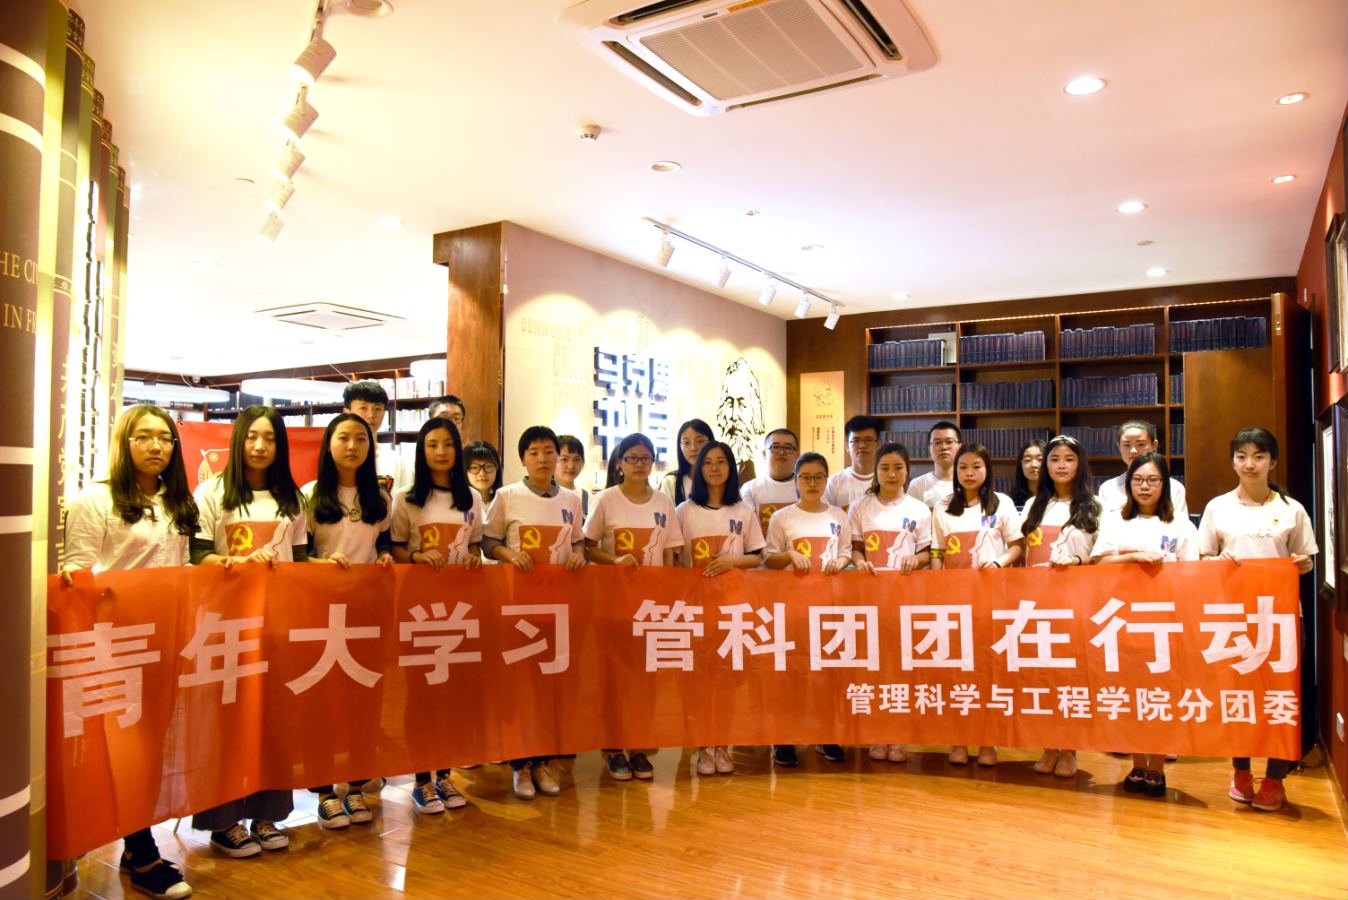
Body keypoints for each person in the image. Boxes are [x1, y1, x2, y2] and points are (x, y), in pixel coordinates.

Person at [61, 405, 198, 899]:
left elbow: (182, 569)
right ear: (125, 442)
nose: (156, 446)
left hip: (165, 641)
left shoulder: (177, 501)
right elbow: (77, 574)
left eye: (165, 438)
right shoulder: (96, 500)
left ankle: (134, 842)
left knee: (153, 746)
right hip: (114, 646)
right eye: (144, 437)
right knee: (122, 749)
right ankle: (143, 855)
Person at [190, 406, 308, 857]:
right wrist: (236, 563)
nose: (260, 446)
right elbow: (196, 554)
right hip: (225, 623)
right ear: (238, 440)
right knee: (224, 721)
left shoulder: (291, 498)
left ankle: (266, 814)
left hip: (277, 622)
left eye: (270, 438)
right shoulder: (212, 492)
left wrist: (326, 565)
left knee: (273, 719)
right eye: (252, 437)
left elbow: (300, 557)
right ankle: (223, 821)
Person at [1198, 427, 1315, 813]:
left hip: (1280, 617)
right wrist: (1217, 562)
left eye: (1259, 456)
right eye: (1242, 456)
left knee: (1280, 694)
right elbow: (1202, 559)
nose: (1250, 464)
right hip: (1232, 618)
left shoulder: (1291, 509)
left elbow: (1306, 560)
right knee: (1239, 695)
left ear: (1272, 462)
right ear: (1233, 462)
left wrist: (1301, 564)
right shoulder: (1217, 507)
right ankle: (1241, 771)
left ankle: (1276, 777)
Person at [483, 425, 587, 799]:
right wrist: (510, 555)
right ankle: (520, 765)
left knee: (550, 689)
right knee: (520, 689)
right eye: (534, 452)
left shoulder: (572, 500)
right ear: (523, 459)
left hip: (558, 608)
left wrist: (578, 556)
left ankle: (543, 761)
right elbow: (488, 541)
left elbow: (578, 542)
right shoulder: (507, 496)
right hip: (518, 608)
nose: (543, 459)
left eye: (548, 451)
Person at [301, 413, 394, 829]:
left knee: (364, 702)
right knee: (322, 704)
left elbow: (384, 541)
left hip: (366, 612)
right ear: (329, 444)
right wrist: (320, 564)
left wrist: (386, 556)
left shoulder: (380, 497)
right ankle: (324, 792)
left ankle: (356, 786)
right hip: (320, 612)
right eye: (343, 438)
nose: (353, 446)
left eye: (361, 439)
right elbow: (300, 554)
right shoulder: (309, 495)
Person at [1093, 452, 1198, 799]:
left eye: (1153, 480)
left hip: (1167, 622)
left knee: (1163, 696)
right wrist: (1132, 557)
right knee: (1133, 693)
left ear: (1165, 484)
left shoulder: (1181, 526)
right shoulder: (1116, 521)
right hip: (1124, 619)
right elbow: (1099, 563)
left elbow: (1193, 573)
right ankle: (1138, 763)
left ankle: (1158, 767)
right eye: (1138, 480)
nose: (1145, 486)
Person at [392, 416, 482, 814]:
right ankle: (421, 780)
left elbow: (475, 544)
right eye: (432, 445)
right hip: (419, 608)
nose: (441, 452)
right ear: (421, 451)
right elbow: (394, 548)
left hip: (460, 609)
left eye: (447, 444)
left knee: (453, 695)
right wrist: (416, 556)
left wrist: (474, 558)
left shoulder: (471, 498)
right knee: (421, 694)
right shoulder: (407, 498)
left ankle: (445, 774)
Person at [586, 432, 685, 781]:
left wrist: (669, 598)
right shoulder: (605, 500)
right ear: (620, 463)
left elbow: (671, 552)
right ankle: (614, 749)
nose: (640, 464)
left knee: (647, 679)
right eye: (632, 458)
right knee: (615, 679)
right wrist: (613, 560)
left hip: (652, 607)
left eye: (646, 458)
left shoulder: (663, 502)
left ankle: (640, 746)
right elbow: (588, 546)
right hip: (614, 604)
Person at [675, 441, 766, 776]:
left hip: (732, 609)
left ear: (730, 468)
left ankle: (723, 745)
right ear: (698, 469)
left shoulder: (743, 510)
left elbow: (758, 556)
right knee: (699, 683)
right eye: (708, 462)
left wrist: (731, 561)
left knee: (727, 682)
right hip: (696, 609)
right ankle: (704, 746)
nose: (714, 468)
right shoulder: (684, 511)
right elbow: (675, 560)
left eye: (721, 462)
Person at [930, 442, 1021, 768]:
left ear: (987, 469)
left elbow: (1017, 546)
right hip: (953, 603)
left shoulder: (1002, 503)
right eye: (963, 467)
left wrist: (997, 563)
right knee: (956, 673)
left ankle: (987, 741)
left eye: (976, 467)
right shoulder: (943, 506)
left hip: (992, 601)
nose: (969, 473)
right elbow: (937, 551)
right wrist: (938, 586)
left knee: (988, 673)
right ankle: (957, 740)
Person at [1018, 434, 1100, 779]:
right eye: (1054, 459)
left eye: (1069, 459)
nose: (1061, 466)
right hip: (1036, 606)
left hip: (1075, 605)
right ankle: (1048, 745)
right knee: (1043, 678)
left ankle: (1070, 749)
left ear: (1080, 464)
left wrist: (1078, 561)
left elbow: (1102, 558)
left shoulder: (1094, 507)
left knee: (1071, 679)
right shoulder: (1033, 505)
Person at [763, 451, 851, 767]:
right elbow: (768, 559)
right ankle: (784, 739)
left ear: (827, 480)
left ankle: (826, 735)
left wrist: (841, 561)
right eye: (806, 477)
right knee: (791, 674)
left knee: (827, 674)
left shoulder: (839, 516)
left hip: (829, 607)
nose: (812, 483)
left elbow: (847, 552)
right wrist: (789, 555)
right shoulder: (782, 517)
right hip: (793, 608)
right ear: (796, 481)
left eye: (818, 477)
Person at [847, 440, 931, 765]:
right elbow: (855, 549)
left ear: (908, 471)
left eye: (898, 467)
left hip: (906, 600)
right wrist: (860, 563)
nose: (892, 474)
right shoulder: (860, 506)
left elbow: (927, 552)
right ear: (876, 471)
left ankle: (898, 736)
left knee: (901, 669)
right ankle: (875, 734)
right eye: (885, 467)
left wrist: (916, 560)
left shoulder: (919, 509)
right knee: (872, 670)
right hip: (868, 600)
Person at [1097, 420, 1188, 519]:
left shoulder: (1174, 488)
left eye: (1140, 444)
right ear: (1119, 446)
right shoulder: (1107, 488)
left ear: (1154, 445)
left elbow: (1181, 525)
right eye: (1127, 445)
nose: (1133, 450)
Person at [343, 380, 412, 495]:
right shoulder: (338, 459)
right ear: (347, 413)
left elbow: (406, 501)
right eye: (363, 408)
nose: (371, 415)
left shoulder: (397, 462)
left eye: (377, 409)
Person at [741, 428, 801, 536]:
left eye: (788, 447)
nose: (781, 452)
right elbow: (748, 532)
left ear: (797, 455)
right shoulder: (750, 489)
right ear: (764, 454)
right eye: (775, 447)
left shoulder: (808, 487)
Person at [823, 414, 881, 511]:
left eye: (869, 440)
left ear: (878, 445)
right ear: (847, 447)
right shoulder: (834, 483)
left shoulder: (887, 481)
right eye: (856, 440)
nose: (862, 445)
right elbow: (824, 515)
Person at [660, 418, 714, 505]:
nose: (693, 448)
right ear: (680, 447)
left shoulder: (719, 478)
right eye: (687, 443)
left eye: (700, 441)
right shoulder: (671, 482)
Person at [908, 421, 961, 508]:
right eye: (937, 442)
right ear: (929, 448)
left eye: (949, 442)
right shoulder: (917, 485)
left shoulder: (968, 483)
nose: (944, 447)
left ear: (959, 447)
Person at [556, 433, 590, 517]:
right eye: (564, 459)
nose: (571, 466)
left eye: (576, 459)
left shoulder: (589, 499)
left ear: (583, 463)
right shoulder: (542, 497)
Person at [464, 439, 504, 506]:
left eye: (488, 466)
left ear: (497, 469)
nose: (482, 473)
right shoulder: (457, 505)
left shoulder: (505, 503)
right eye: (474, 467)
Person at [1011, 438, 1046, 513]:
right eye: (1027, 460)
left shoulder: (1057, 500)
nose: (1034, 465)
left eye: (1040, 459)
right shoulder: (1009, 502)